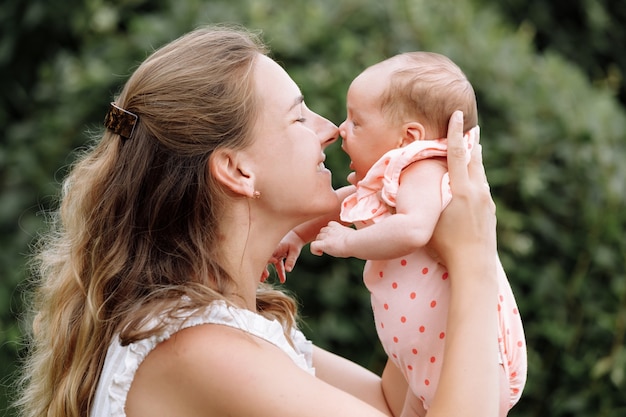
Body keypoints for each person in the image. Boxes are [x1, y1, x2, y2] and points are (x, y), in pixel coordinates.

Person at [17, 26, 503, 417]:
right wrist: (474, 259)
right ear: (237, 169)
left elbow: (397, 406)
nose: (329, 130)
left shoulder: (237, 330)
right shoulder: (202, 351)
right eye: (298, 117)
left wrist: (428, 258)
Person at [274, 52, 526, 417]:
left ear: (409, 137)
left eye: (357, 122)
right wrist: (298, 234)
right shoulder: (394, 175)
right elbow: (345, 202)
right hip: (421, 366)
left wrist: (349, 243)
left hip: (464, 364)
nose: (341, 129)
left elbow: (413, 228)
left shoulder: (423, 169)